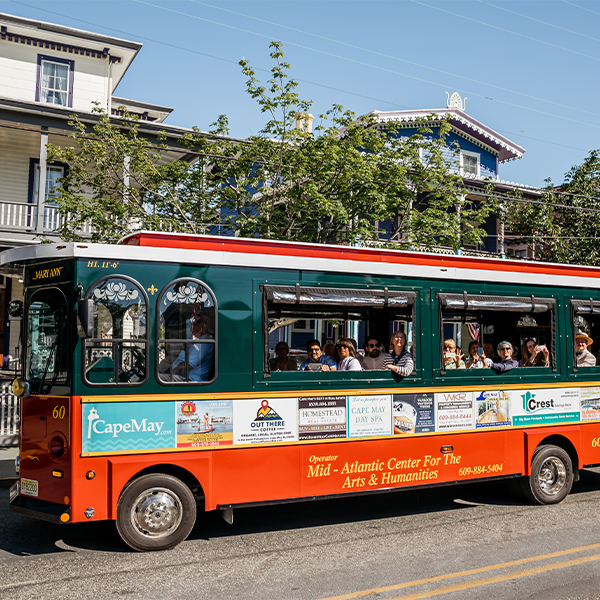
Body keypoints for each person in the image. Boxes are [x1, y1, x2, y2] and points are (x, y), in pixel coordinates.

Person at [170, 316, 215, 382]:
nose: (191, 329)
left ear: (202, 327)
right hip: (186, 378)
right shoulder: (199, 342)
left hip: (191, 379)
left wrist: (171, 371)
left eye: (193, 326)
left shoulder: (203, 343)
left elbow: (188, 365)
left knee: (160, 378)